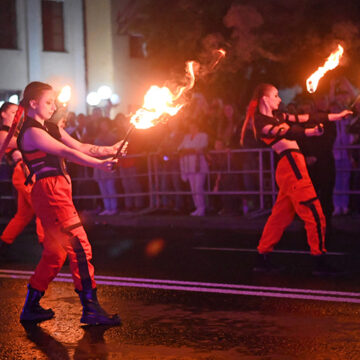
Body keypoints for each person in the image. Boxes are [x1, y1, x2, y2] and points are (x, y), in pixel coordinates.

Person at [16, 81, 122, 325]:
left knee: (55, 254)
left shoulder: (50, 128)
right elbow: (67, 153)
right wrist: (99, 165)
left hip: (57, 191)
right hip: (51, 193)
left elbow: (81, 146)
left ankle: (31, 307)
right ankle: (91, 308)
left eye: (54, 102)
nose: (54, 107)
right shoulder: (32, 132)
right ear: (33, 103)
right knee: (80, 247)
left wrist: (111, 149)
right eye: (48, 102)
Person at [240, 83, 351, 275]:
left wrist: (337, 117)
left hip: (291, 167)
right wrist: (310, 132)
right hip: (291, 166)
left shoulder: (278, 116)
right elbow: (286, 132)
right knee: (315, 213)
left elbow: (305, 118)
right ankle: (319, 260)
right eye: (276, 96)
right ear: (265, 99)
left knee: (279, 216)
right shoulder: (261, 122)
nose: (280, 99)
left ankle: (262, 258)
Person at [0, 102, 44, 256]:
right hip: (23, 173)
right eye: (12, 112)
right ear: (3, 114)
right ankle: (47, 247)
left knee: (23, 214)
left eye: (17, 112)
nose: (16, 115)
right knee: (42, 207)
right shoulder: (4, 134)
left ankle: (3, 245)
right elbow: (26, 144)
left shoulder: (16, 132)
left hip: (24, 173)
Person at [178, 121, 209, 216]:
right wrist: (188, 151)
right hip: (189, 166)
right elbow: (180, 148)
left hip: (199, 165)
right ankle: (197, 207)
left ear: (197, 127)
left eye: (193, 127)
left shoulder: (203, 136)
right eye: (190, 127)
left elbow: (201, 147)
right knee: (193, 188)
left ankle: (202, 207)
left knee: (198, 187)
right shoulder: (186, 137)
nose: (191, 129)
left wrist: (189, 150)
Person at [93, 117, 118, 215]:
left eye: (105, 124)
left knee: (110, 187)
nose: (103, 126)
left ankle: (113, 208)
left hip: (108, 163)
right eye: (102, 124)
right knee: (103, 188)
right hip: (99, 165)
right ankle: (107, 207)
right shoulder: (98, 136)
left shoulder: (112, 136)